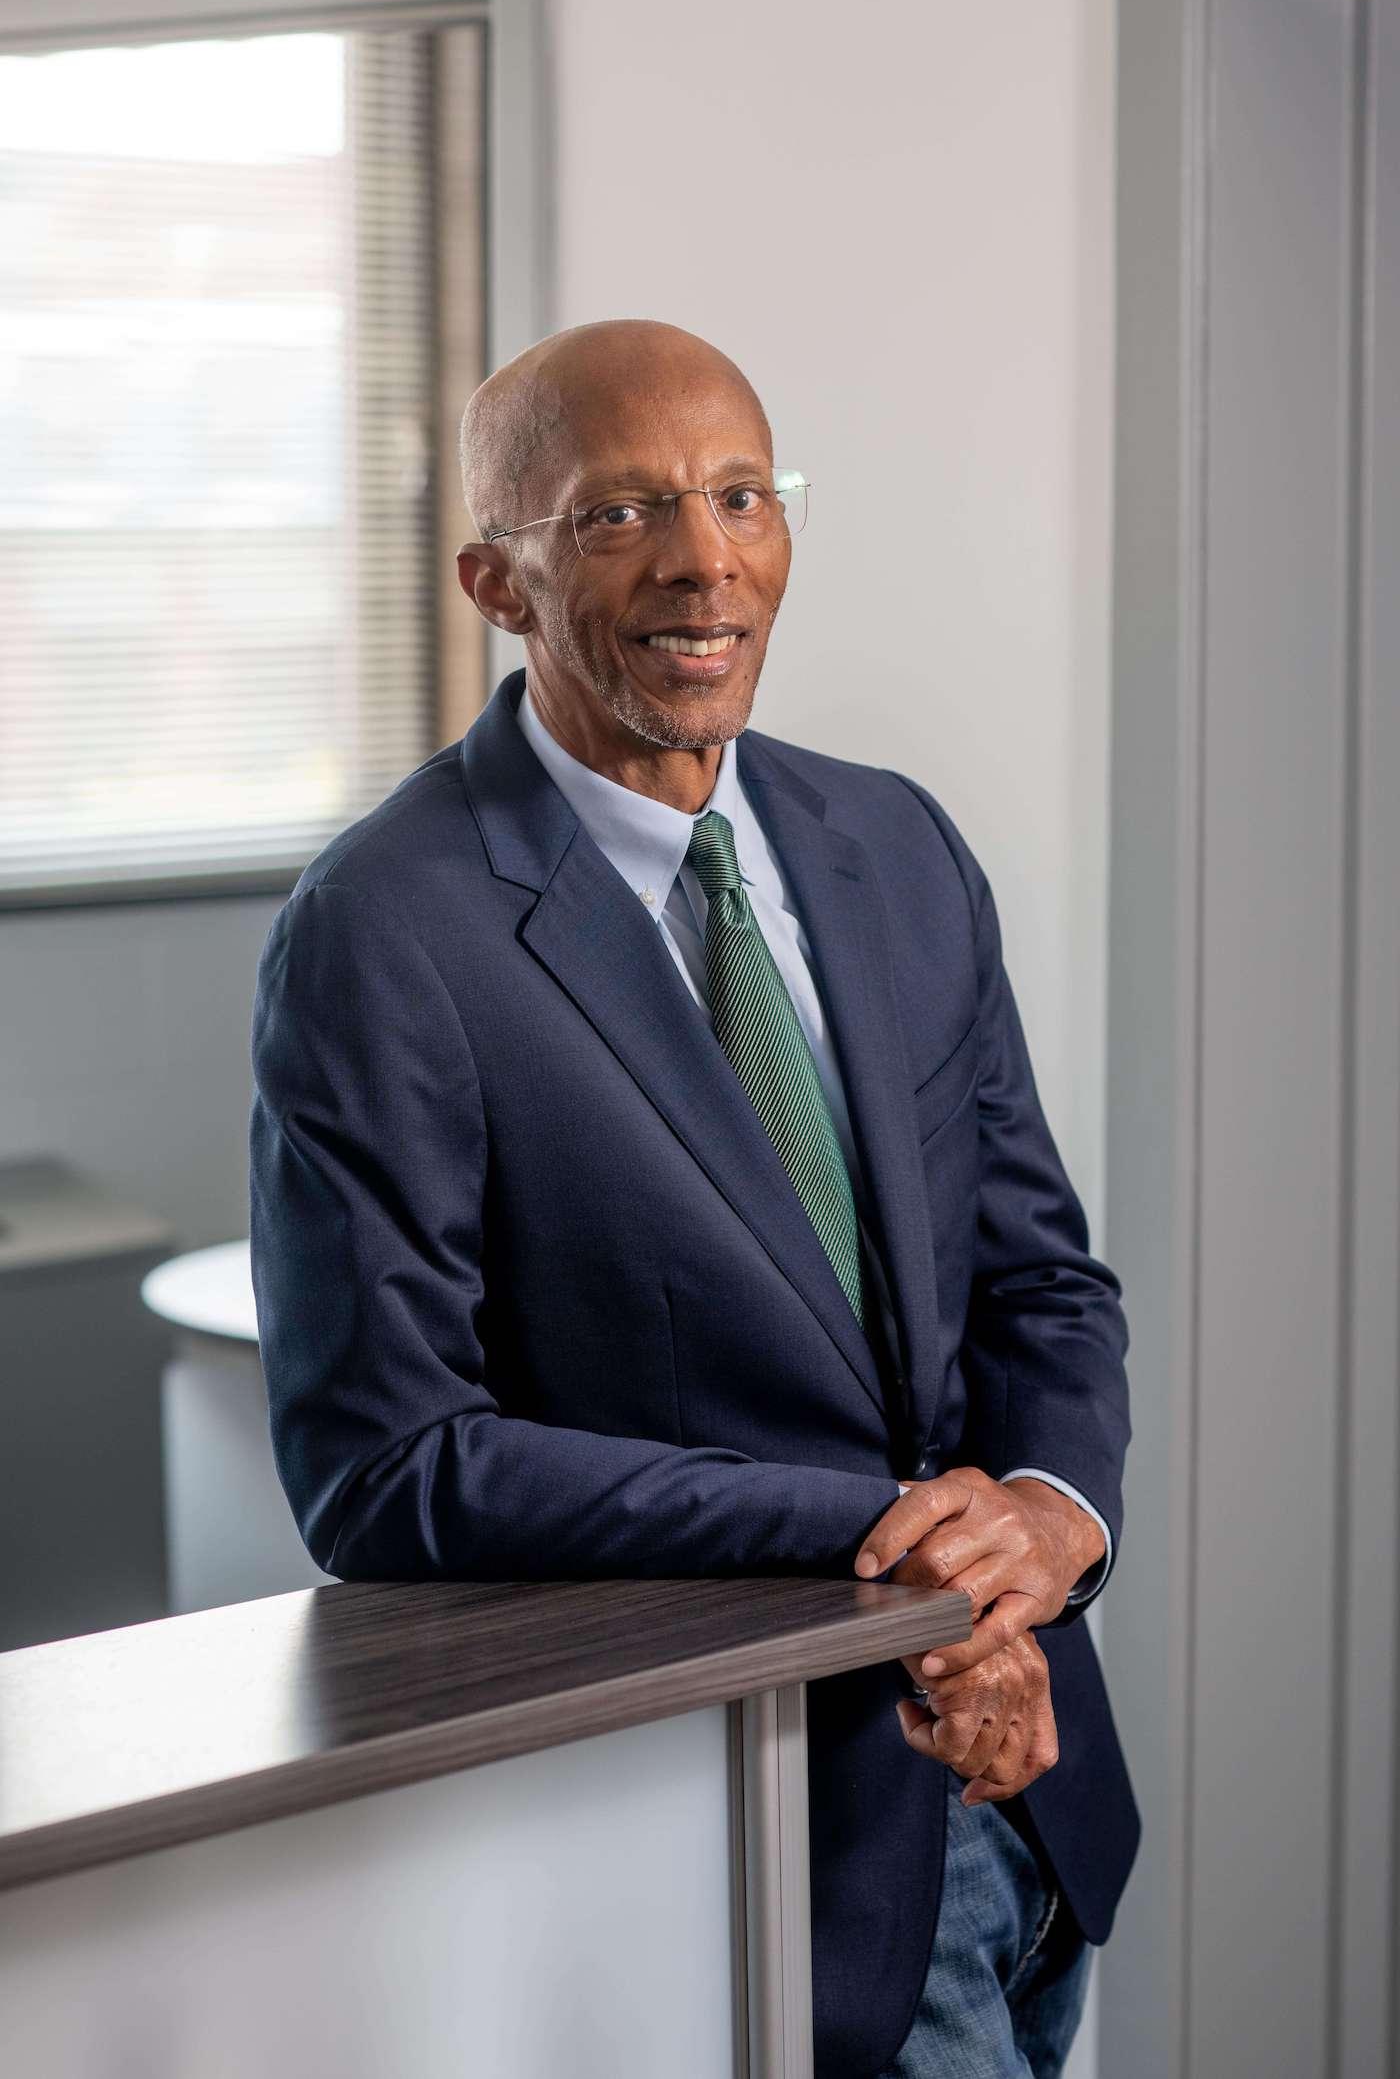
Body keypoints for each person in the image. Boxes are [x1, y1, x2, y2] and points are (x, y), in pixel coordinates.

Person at [249, 318, 1139, 2079]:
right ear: (495, 579)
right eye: (619, 515)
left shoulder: (898, 846)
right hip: (740, 1857)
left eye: (744, 494)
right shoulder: (385, 932)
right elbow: (387, 1467)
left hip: (1031, 1800)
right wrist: (885, 1537)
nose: (703, 559)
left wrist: (1044, 1518)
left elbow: (1042, 1281)